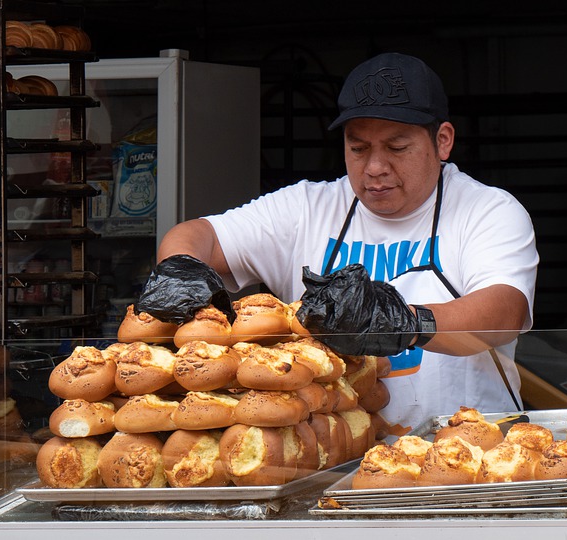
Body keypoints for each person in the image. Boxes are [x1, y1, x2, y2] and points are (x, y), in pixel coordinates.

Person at [136, 52, 539, 430]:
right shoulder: (307, 207)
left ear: (443, 140)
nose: (376, 167)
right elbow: (194, 234)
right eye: (358, 148)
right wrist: (180, 268)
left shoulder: (487, 210)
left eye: (397, 147)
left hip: (464, 454)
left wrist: (405, 323)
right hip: (335, 458)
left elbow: (506, 312)